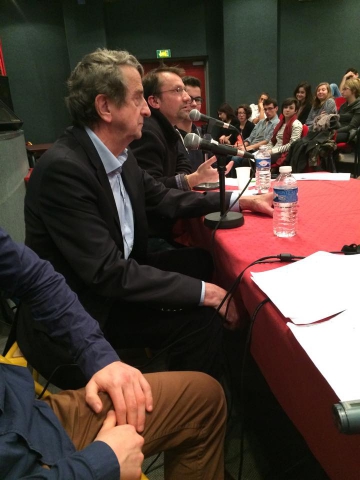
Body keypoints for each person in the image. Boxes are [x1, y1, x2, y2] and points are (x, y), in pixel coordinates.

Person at [21, 48, 273, 387]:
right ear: (105, 107)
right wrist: (209, 294)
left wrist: (240, 200)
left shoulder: (120, 156)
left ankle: (202, 375)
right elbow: (109, 274)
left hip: (113, 285)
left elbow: (165, 198)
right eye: (138, 97)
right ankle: (193, 412)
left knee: (200, 260)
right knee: (201, 319)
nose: (145, 109)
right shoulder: (64, 170)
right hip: (84, 311)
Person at [0, 227, 227, 479]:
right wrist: (99, 465)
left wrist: (98, 355)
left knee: (203, 397)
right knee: (198, 323)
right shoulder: (60, 186)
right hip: (22, 458)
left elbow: (35, 278)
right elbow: (107, 271)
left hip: (19, 410)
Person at [131, 65, 226, 190]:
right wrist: (192, 179)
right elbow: (150, 191)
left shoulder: (169, 129)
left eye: (184, 90)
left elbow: (184, 165)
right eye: (177, 90)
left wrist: (185, 180)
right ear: (154, 101)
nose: (187, 98)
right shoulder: (147, 132)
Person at [265, 97, 303, 171]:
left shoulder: (297, 124)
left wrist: (272, 151)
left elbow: (292, 145)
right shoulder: (280, 123)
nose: (287, 110)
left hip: (284, 154)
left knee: (258, 161)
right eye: (285, 107)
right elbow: (272, 141)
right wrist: (266, 150)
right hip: (273, 151)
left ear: (296, 111)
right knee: (248, 160)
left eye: (291, 108)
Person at [175, 75, 204, 171]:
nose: (194, 104)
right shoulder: (170, 137)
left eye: (198, 100)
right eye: (190, 99)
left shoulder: (203, 134)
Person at [336, 77, 360, 142]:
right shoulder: (343, 106)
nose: (342, 92)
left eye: (345, 89)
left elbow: (351, 127)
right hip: (339, 129)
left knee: (324, 138)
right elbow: (337, 120)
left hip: (348, 133)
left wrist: (335, 131)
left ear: (354, 90)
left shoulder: (358, 105)